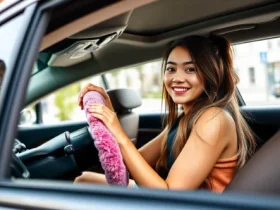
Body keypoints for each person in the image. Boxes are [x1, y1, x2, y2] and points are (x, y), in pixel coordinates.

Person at [74, 35, 256, 193]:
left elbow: (170, 194)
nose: (177, 78)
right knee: (83, 181)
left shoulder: (213, 119)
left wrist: (119, 134)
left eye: (190, 69)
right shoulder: (183, 119)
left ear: (209, 75)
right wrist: (108, 111)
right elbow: (132, 163)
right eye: (171, 69)